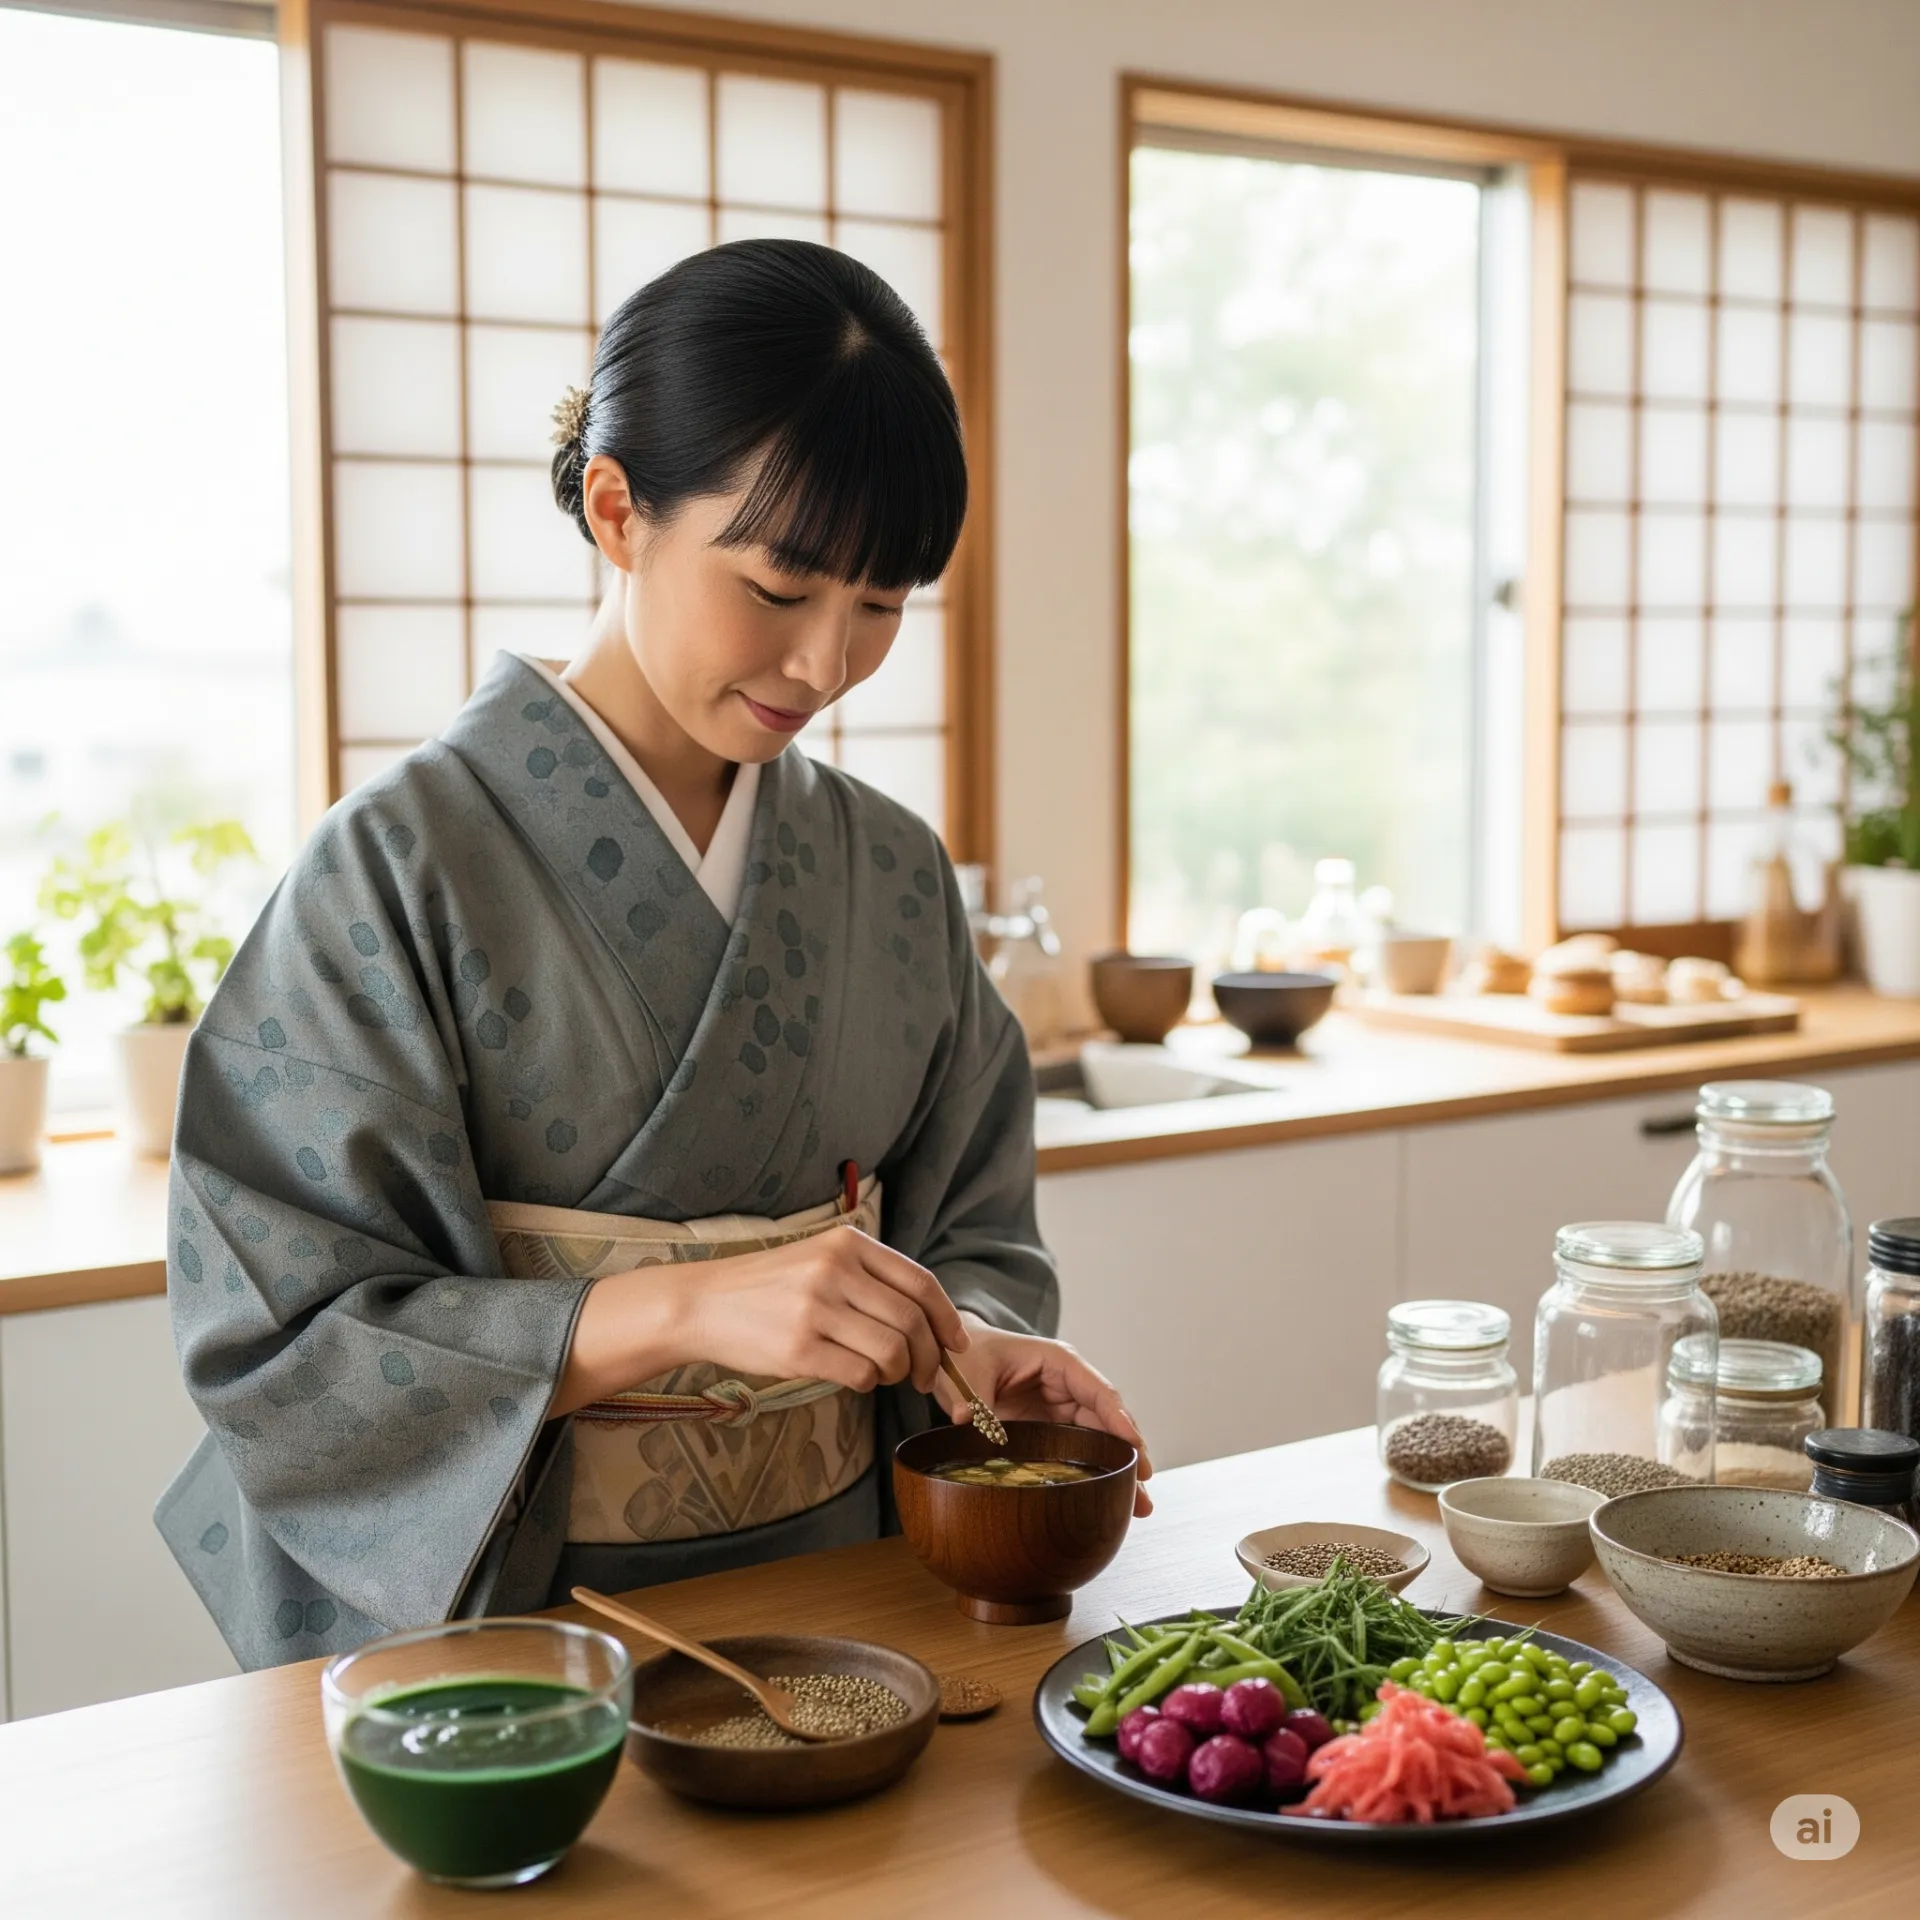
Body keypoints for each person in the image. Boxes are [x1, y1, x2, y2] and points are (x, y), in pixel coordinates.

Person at [157, 239, 1150, 1667]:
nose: (824, 664)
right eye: (777, 584)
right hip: (516, 1618)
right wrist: (671, 1307)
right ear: (617, 512)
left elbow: (973, 1224)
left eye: (879, 606)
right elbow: (285, 1340)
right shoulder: (397, 865)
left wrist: (965, 1339)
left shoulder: (889, 871)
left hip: (845, 1602)